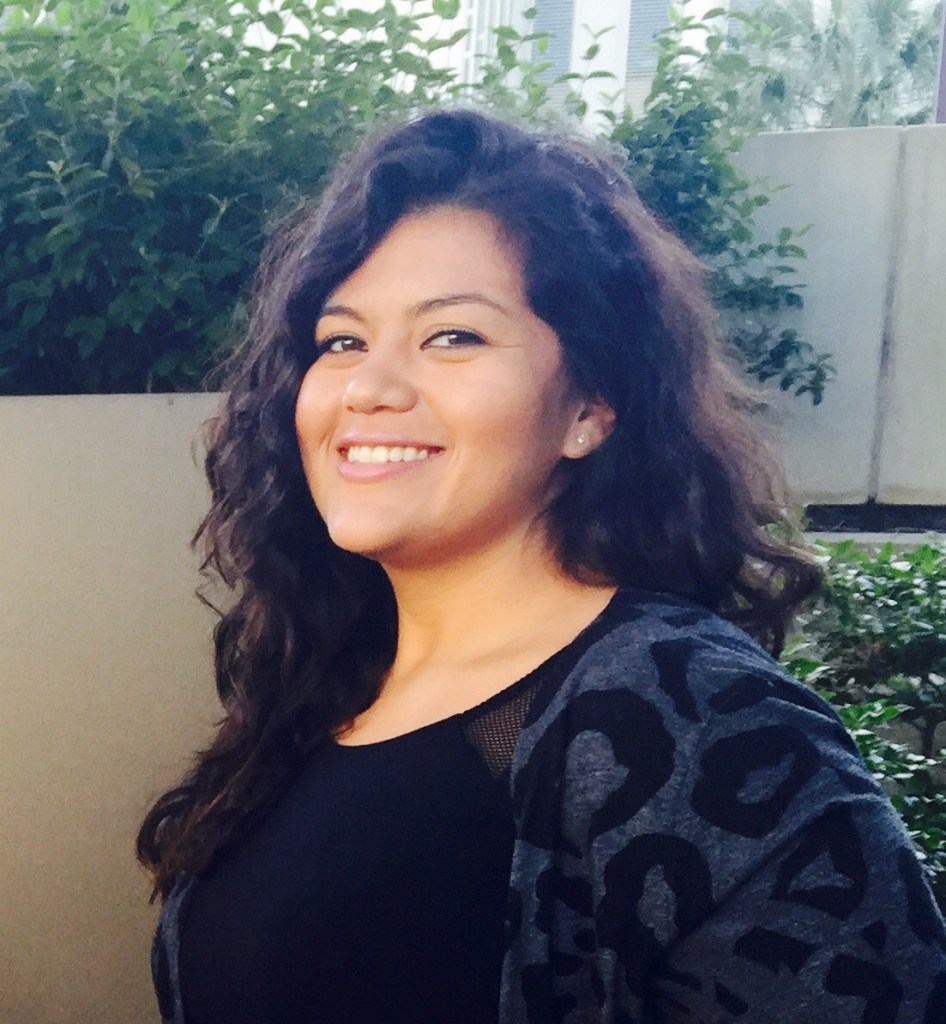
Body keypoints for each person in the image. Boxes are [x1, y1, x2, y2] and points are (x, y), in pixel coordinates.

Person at [139, 108, 946, 1024]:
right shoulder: (323, 691)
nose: (368, 387)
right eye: (342, 341)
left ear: (590, 408)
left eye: (453, 337)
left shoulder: (691, 719)